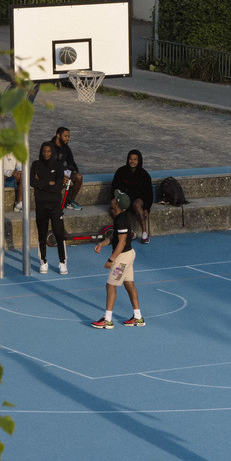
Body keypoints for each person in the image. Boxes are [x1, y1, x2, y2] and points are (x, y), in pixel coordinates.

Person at [91, 197, 143, 329]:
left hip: (122, 257)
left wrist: (111, 259)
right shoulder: (121, 217)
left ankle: (107, 320)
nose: (112, 199)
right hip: (129, 254)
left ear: (117, 205)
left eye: (115, 199)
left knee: (110, 285)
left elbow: (122, 242)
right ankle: (138, 317)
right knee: (129, 283)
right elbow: (115, 237)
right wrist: (102, 244)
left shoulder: (121, 220)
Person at [30, 137, 71, 276]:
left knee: (59, 234)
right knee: (41, 234)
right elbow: (32, 182)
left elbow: (58, 186)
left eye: (48, 151)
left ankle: (62, 262)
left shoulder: (58, 166)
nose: (46, 154)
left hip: (55, 206)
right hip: (41, 205)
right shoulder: (36, 164)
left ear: (52, 152)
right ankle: (43, 262)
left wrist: (42, 183)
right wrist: (49, 183)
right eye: (44, 151)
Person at [116, 149, 155, 243]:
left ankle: (144, 234)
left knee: (137, 204)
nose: (132, 161)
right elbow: (115, 188)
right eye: (130, 159)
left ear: (139, 161)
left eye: (135, 159)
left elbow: (149, 193)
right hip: (125, 199)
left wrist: (146, 208)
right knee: (113, 205)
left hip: (138, 200)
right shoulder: (121, 171)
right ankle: (130, 231)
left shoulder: (144, 175)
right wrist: (118, 200)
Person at [49, 126, 83, 209]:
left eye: (69, 136)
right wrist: (60, 174)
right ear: (58, 135)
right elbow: (47, 165)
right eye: (65, 136)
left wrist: (74, 172)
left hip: (62, 172)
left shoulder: (66, 147)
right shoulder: (49, 147)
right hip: (51, 174)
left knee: (78, 177)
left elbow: (71, 162)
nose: (67, 138)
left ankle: (70, 201)